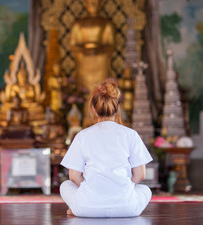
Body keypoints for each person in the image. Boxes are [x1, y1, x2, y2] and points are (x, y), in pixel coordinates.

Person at [60, 80, 152, 217]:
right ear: (117, 108)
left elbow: (74, 177)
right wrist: (120, 187)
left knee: (65, 185)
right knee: (145, 189)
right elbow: (140, 175)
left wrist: (92, 190)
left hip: (86, 208)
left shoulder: (82, 136)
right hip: (127, 208)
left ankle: (77, 207)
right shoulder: (131, 134)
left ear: (93, 109)